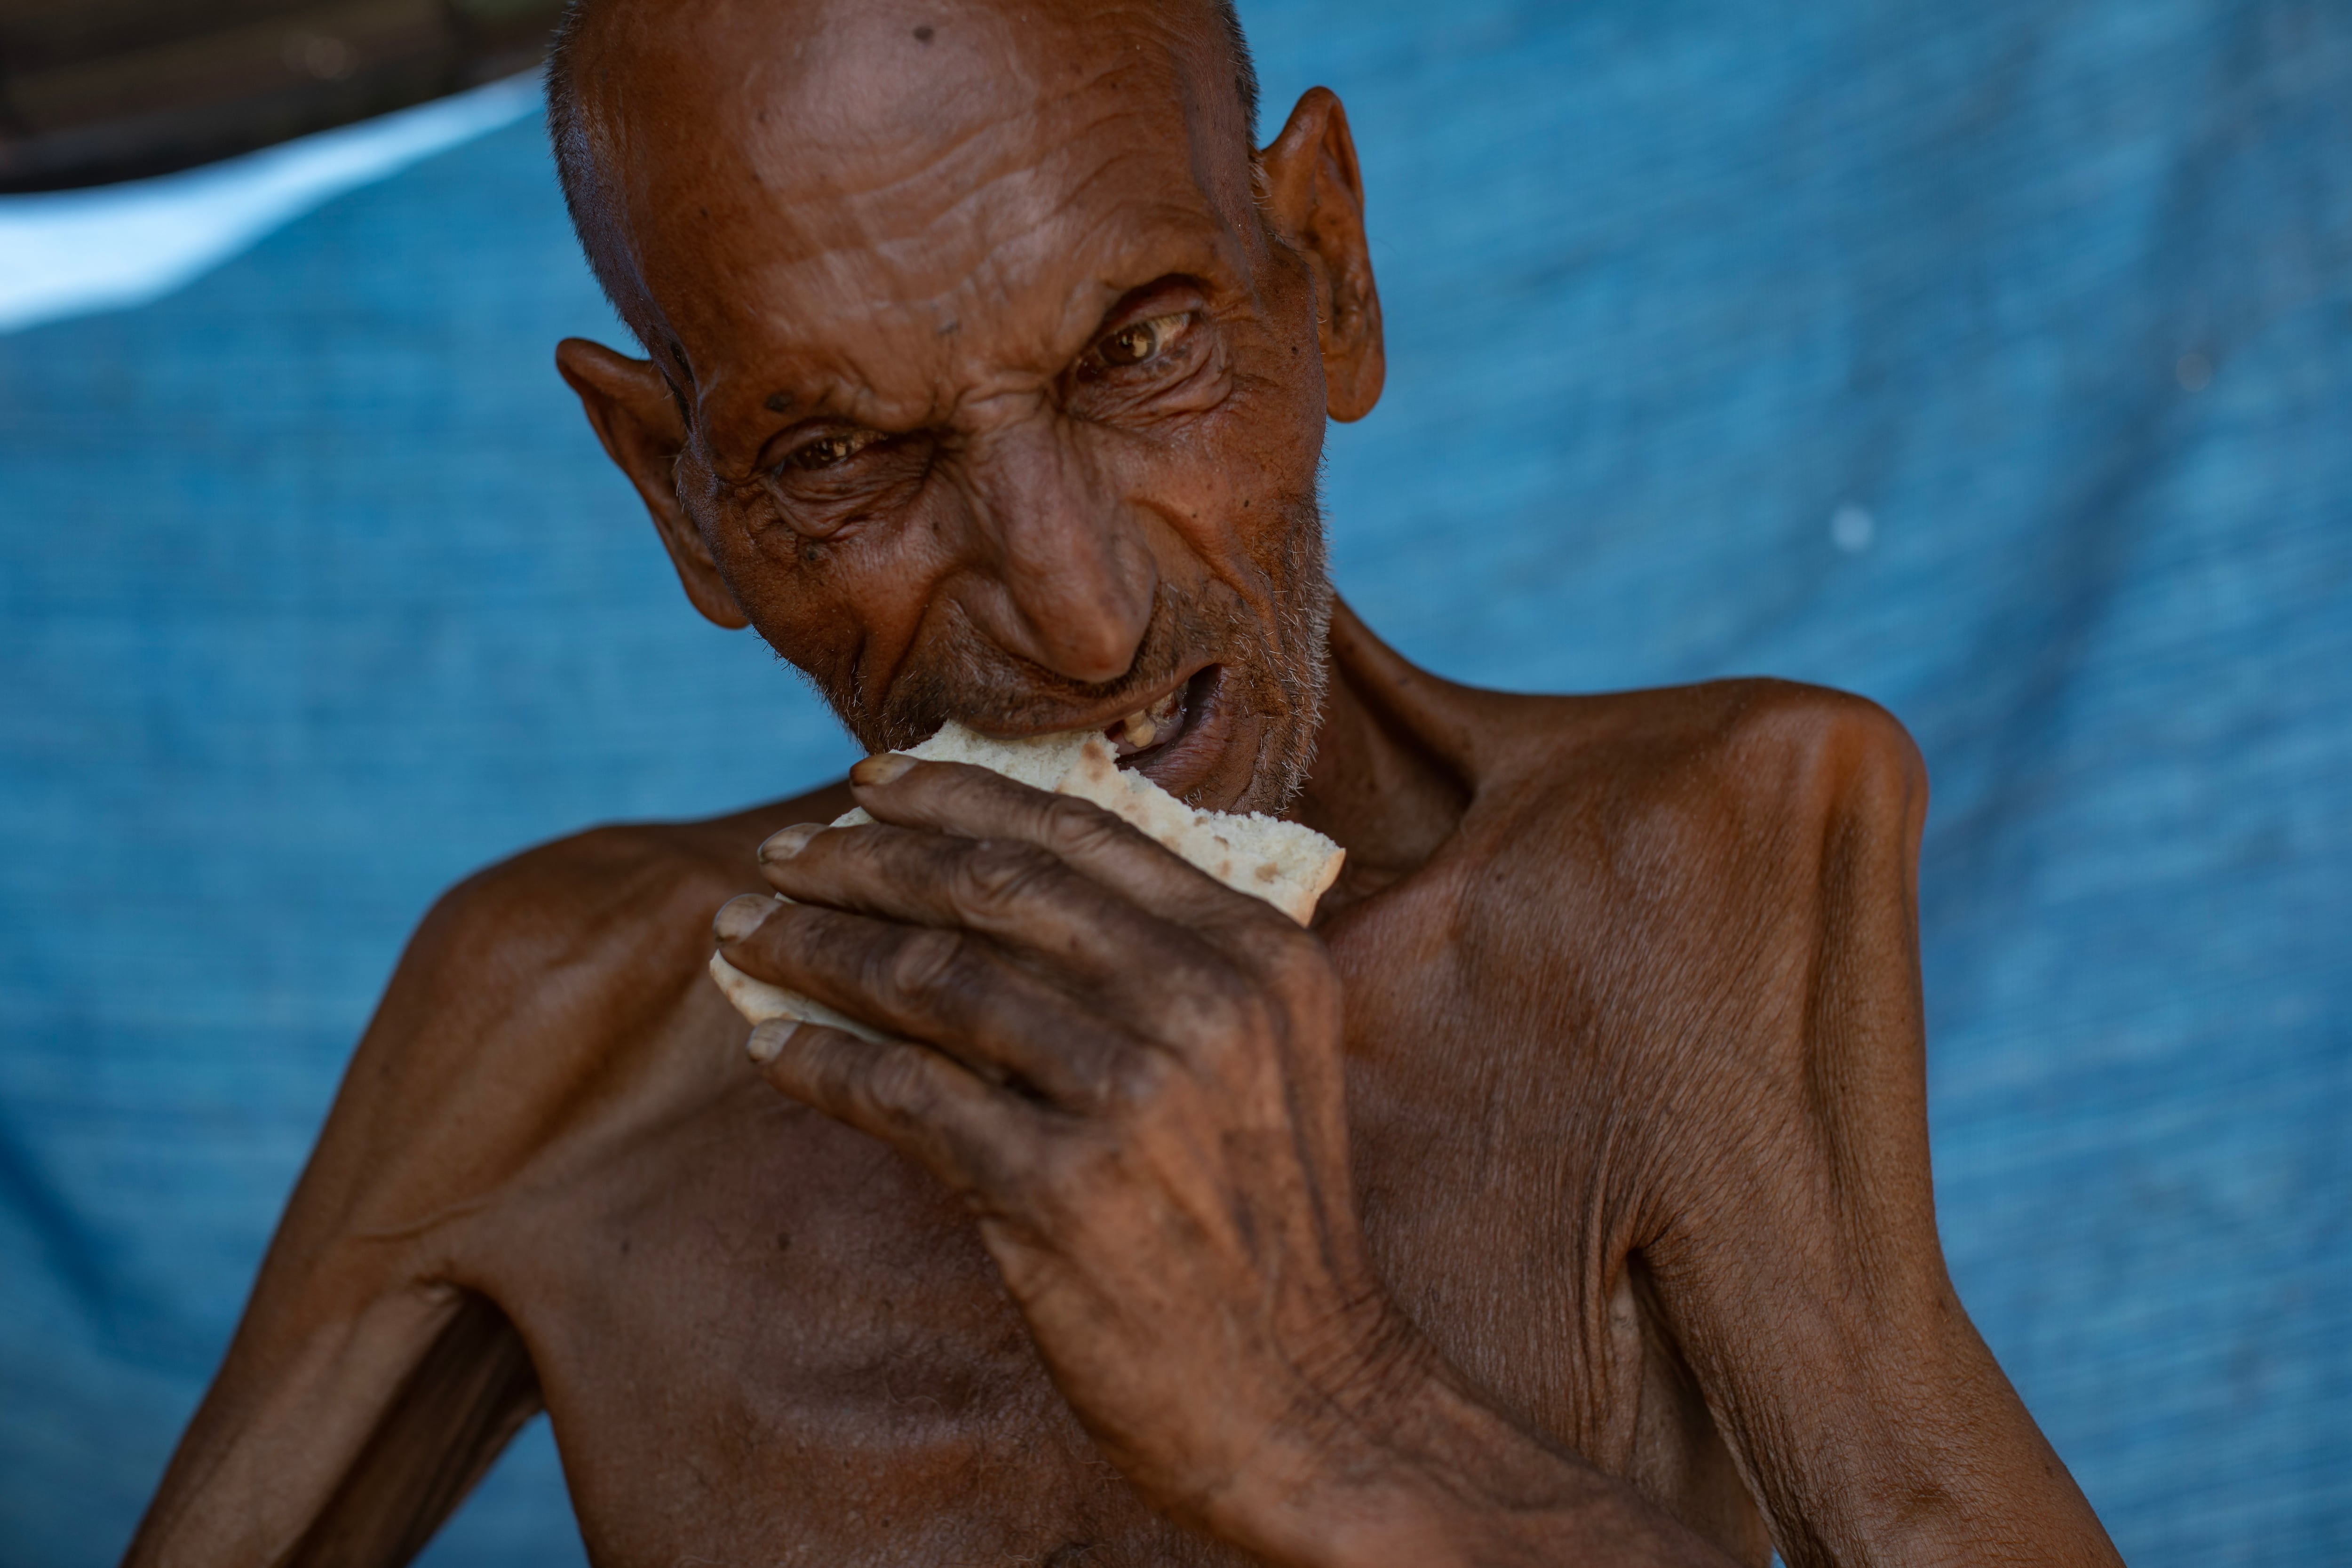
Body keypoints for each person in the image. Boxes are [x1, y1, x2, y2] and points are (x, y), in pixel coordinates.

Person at [124, 1, 2125, 1564]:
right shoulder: (557, 1015)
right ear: (683, 497)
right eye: (844, 462)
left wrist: (1332, 1419)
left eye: (1141, 355)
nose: (1077, 623)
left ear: (1323, 273)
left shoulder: (1682, 862)